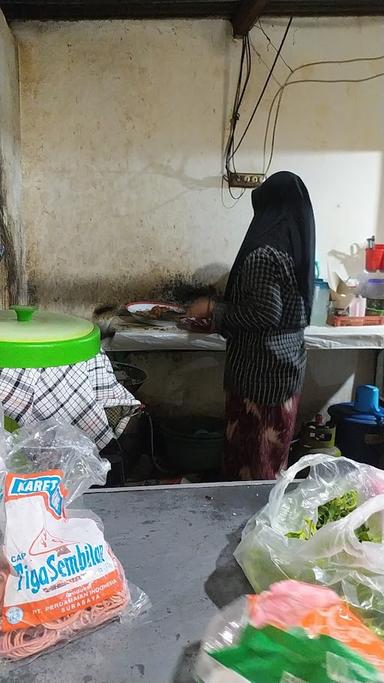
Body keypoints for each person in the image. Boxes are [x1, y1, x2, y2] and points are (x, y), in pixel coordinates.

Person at [187, 171, 315, 480]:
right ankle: (264, 518)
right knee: (272, 464)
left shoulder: (262, 254)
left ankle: (243, 524)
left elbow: (264, 315)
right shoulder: (295, 249)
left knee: (251, 467)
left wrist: (215, 314)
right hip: (285, 372)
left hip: (259, 379)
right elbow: (278, 311)